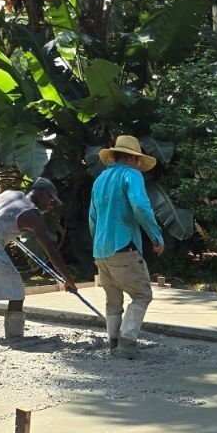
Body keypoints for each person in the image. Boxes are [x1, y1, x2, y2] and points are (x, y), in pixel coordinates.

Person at [0, 177, 77, 342]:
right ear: (41, 194)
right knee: (17, 291)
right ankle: (15, 337)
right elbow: (50, 249)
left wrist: (2, 223)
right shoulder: (32, 214)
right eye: (51, 199)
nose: (51, 205)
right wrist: (67, 278)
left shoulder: (11, 194)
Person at [89, 135, 164, 358]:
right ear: (133, 158)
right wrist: (156, 236)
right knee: (142, 295)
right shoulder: (132, 174)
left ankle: (113, 343)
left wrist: (97, 244)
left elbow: (92, 217)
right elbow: (140, 205)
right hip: (124, 246)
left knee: (113, 301)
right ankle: (127, 343)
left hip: (101, 250)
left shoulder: (100, 179)